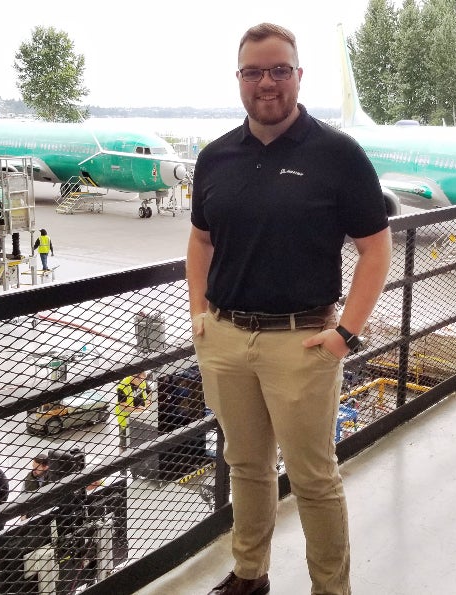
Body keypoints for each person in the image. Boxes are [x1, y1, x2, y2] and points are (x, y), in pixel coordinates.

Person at [185, 23, 391, 595]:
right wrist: (199, 315)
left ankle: (331, 588)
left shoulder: (338, 155)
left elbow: (376, 249)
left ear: (299, 76)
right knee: (246, 468)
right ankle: (250, 575)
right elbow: (201, 240)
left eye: (279, 70)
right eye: (254, 72)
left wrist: (346, 334)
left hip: (300, 342)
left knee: (313, 478)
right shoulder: (216, 158)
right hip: (225, 339)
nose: (266, 82)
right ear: (240, 80)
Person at [113, 371, 149, 450]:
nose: (143, 382)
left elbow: (149, 392)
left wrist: (148, 403)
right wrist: (137, 410)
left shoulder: (142, 381)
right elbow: (122, 406)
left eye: (144, 380)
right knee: (125, 444)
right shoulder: (123, 386)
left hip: (141, 418)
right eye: (141, 380)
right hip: (126, 421)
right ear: (134, 376)